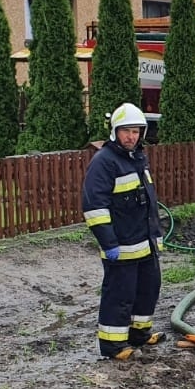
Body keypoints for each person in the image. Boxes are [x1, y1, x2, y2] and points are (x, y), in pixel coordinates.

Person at [82, 103, 164, 361]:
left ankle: (139, 334)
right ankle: (113, 346)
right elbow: (94, 207)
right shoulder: (104, 163)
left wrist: (155, 237)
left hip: (145, 243)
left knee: (148, 289)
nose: (131, 136)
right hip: (122, 246)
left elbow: (147, 202)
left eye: (136, 131)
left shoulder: (138, 157)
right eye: (126, 131)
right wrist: (109, 244)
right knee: (120, 296)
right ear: (115, 132)